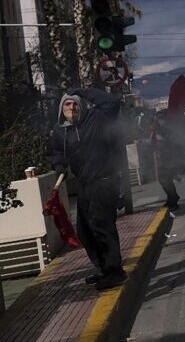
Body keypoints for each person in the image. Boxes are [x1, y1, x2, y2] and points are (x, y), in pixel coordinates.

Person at [49, 88, 126, 291]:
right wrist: (59, 167)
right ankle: (104, 269)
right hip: (85, 184)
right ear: (61, 108)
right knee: (85, 231)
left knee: (101, 225)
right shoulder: (60, 131)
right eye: (67, 104)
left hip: (104, 180)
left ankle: (115, 271)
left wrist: (81, 91)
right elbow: (57, 153)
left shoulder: (95, 120)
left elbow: (112, 101)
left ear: (81, 106)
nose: (72, 108)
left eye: (75, 104)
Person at [150, 110, 181, 211]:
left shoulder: (162, 129)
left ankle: (173, 198)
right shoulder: (162, 128)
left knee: (165, 179)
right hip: (165, 157)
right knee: (166, 179)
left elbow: (161, 142)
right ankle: (172, 197)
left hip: (165, 157)